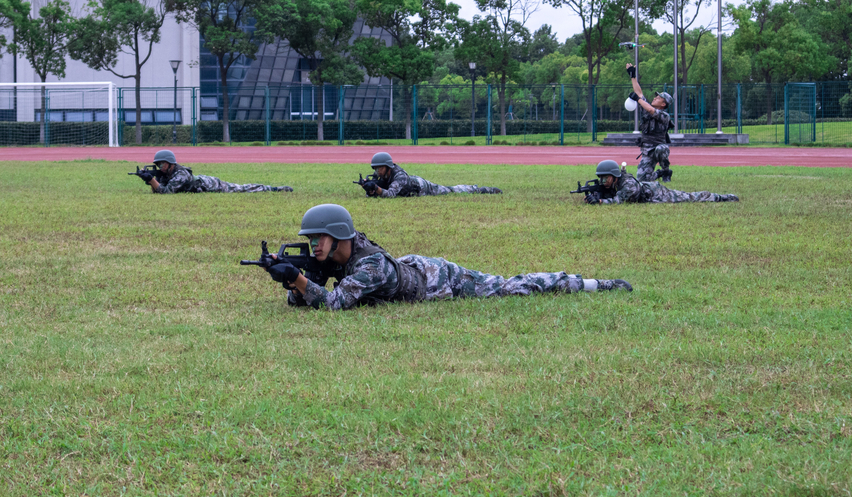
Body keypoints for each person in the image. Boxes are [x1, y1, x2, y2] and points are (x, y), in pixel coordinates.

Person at [264, 204, 632, 310]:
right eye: (311, 240)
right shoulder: (334, 257)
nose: (315, 246)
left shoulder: (370, 265)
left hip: (436, 279)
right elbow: (304, 300)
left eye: (320, 238)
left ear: (340, 235)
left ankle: (589, 284)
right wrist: (293, 284)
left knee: (508, 287)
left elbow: (332, 304)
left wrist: (298, 281)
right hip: (408, 267)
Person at [585, 160, 739, 205]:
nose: (603, 181)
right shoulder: (615, 183)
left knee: (691, 197)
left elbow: (619, 200)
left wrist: (599, 201)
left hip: (658, 193)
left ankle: (722, 197)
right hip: (649, 189)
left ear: (614, 176)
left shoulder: (628, 185)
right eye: (601, 178)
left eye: (605, 178)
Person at [137, 150, 294, 194]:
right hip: (203, 184)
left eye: (162, 164)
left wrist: (151, 180)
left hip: (211, 185)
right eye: (157, 164)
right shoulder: (167, 173)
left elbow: (167, 192)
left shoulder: (181, 173)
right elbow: (159, 190)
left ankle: (274, 189)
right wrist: (151, 181)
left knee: (243, 188)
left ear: (171, 164)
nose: (160, 167)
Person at [361, 152, 501, 197]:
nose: (378, 171)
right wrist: (369, 188)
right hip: (411, 186)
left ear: (387, 167)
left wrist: (377, 189)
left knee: (451, 190)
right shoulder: (382, 175)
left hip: (422, 187)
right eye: (376, 168)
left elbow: (390, 195)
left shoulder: (399, 176)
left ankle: (479, 189)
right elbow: (376, 191)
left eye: (380, 168)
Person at [626, 63, 673, 182]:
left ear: (663, 104)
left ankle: (666, 170)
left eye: (658, 98)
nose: (654, 98)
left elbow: (650, 109)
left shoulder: (664, 116)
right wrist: (633, 76)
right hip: (647, 151)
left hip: (658, 148)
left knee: (661, 149)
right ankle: (659, 173)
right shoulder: (647, 108)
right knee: (642, 180)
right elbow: (639, 93)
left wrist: (638, 99)